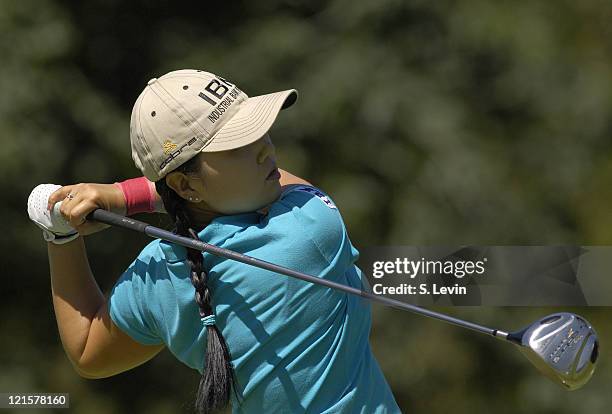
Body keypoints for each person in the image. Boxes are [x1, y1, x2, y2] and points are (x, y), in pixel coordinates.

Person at [28, 69, 401, 413]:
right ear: (186, 184)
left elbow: (87, 351)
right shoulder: (311, 228)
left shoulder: (158, 276)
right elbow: (288, 183)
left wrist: (61, 235)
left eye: (258, 131)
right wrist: (124, 196)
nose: (265, 149)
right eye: (239, 145)